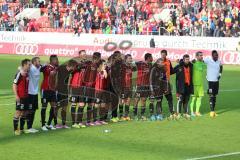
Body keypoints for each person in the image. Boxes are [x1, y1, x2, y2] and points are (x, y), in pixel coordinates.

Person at [55, 60, 78, 129]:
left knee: (64, 108)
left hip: (65, 92)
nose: (75, 68)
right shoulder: (61, 68)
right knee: (57, 108)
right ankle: (55, 123)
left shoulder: (70, 72)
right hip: (59, 91)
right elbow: (54, 74)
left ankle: (63, 124)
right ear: (72, 65)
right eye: (75, 66)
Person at [69, 51, 88, 128]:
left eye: (85, 54)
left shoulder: (87, 64)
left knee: (82, 104)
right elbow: (70, 70)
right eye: (83, 54)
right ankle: (74, 123)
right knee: (74, 104)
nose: (84, 55)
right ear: (79, 55)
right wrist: (78, 67)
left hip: (82, 87)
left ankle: (79, 122)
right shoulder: (75, 62)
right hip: (75, 86)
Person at [40, 55, 59, 131]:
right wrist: (44, 65)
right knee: (44, 107)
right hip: (45, 89)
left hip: (52, 90)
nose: (57, 61)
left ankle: (48, 123)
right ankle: (43, 125)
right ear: (52, 61)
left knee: (54, 107)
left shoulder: (56, 68)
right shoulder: (46, 67)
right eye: (56, 60)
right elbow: (39, 69)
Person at [13, 59, 31, 135]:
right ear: (24, 65)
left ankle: (22, 129)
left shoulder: (27, 73)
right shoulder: (19, 74)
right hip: (20, 96)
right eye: (28, 65)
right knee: (18, 112)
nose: (30, 66)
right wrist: (16, 95)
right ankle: (16, 130)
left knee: (25, 112)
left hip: (27, 96)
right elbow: (14, 85)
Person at [83, 52, 101, 126]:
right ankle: (86, 121)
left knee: (92, 103)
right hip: (87, 87)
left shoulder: (96, 65)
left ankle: (92, 120)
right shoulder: (89, 64)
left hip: (93, 87)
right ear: (97, 58)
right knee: (85, 104)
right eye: (99, 57)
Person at [134, 53, 153, 121]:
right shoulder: (140, 64)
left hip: (147, 85)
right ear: (148, 58)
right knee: (136, 100)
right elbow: (132, 63)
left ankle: (142, 115)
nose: (152, 58)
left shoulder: (150, 65)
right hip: (140, 85)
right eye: (151, 57)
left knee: (144, 100)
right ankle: (135, 115)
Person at [204, 50, 223, 118]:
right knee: (211, 95)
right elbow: (201, 61)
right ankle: (211, 111)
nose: (217, 56)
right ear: (212, 55)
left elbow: (221, 67)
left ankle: (213, 111)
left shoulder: (219, 61)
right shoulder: (208, 60)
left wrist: (220, 74)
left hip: (216, 82)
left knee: (214, 96)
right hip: (210, 82)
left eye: (217, 55)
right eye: (215, 55)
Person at [174, 54, 193, 120]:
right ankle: (178, 113)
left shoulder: (190, 66)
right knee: (180, 100)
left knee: (186, 101)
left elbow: (191, 63)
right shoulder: (179, 66)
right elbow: (172, 71)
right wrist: (179, 62)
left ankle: (185, 113)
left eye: (188, 59)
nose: (188, 60)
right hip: (181, 86)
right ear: (183, 60)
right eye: (186, 59)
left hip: (188, 86)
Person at [158, 50, 175, 120]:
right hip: (159, 84)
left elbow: (171, 71)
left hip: (167, 83)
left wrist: (179, 64)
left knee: (170, 99)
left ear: (166, 55)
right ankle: (160, 114)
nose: (163, 56)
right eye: (162, 54)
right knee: (159, 99)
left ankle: (172, 113)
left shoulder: (168, 61)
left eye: (164, 54)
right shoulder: (158, 62)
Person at [119, 54, 136, 121]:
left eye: (131, 58)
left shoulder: (131, 67)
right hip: (123, 86)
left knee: (128, 100)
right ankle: (120, 115)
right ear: (126, 59)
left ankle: (126, 115)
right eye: (129, 58)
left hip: (130, 86)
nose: (130, 59)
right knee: (122, 101)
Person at [27, 57, 41, 133]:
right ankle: (28, 127)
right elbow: (21, 68)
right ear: (34, 62)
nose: (40, 62)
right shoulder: (31, 68)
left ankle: (30, 127)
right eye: (39, 61)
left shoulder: (38, 67)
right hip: (29, 93)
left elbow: (44, 65)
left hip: (35, 93)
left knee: (33, 110)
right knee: (29, 110)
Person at [190, 52, 206, 117]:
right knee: (193, 99)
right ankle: (191, 112)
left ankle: (197, 112)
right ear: (196, 56)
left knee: (200, 98)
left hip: (201, 84)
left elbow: (207, 66)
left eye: (202, 55)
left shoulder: (203, 63)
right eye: (200, 55)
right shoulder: (193, 63)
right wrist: (191, 62)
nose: (201, 56)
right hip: (194, 84)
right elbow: (185, 64)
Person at [94, 60, 109, 125]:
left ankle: (101, 119)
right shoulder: (96, 72)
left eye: (105, 64)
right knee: (96, 106)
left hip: (103, 91)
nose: (105, 66)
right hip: (97, 91)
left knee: (103, 105)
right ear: (100, 65)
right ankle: (95, 120)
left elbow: (106, 77)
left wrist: (104, 71)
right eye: (104, 64)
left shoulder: (103, 72)